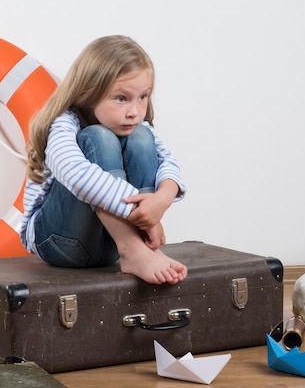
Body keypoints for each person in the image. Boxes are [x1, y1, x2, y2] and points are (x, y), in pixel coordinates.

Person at [20, 35, 187, 285]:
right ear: (88, 92)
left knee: (142, 137)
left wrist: (160, 202)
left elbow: (169, 164)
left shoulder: (136, 125)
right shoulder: (65, 124)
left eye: (143, 97)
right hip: (59, 242)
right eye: (121, 98)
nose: (134, 111)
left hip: (109, 248)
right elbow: (76, 175)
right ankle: (134, 248)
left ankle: (138, 249)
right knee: (97, 137)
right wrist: (139, 212)